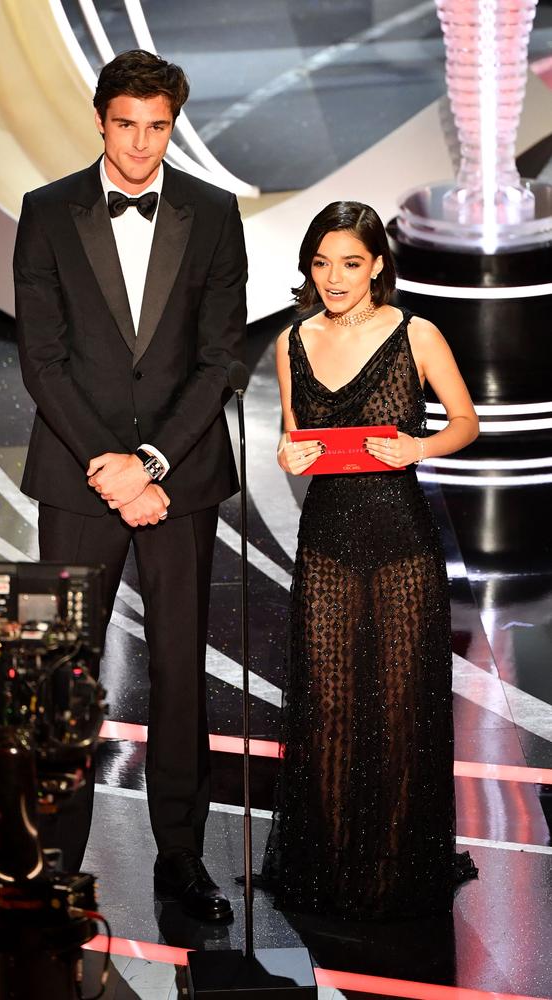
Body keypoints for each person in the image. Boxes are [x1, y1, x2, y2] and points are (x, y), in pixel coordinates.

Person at [13, 49, 247, 922]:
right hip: (77, 479)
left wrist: (150, 465)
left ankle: (182, 854)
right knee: (59, 671)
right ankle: (50, 857)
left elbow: (221, 355)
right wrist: (111, 465)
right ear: (101, 120)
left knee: (184, 672)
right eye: (126, 125)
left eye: (157, 128)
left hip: (177, 481)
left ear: (173, 125)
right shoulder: (45, 212)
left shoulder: (214, 212)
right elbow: (43, 359)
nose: (141, 145)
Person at [267, 201, 479, 920]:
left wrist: (418, 448)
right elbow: (295, 444)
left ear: (378, 265)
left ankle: (392, 863)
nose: (333, 277)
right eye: (322, 263)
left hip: (402, 548)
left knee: (397, 712)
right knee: (326, 709)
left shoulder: (416, 334)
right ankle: (330, 864)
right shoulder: (292, 341)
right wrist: (288, 453)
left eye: (349, 263)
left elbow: (465, 421)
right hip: (325, 542)